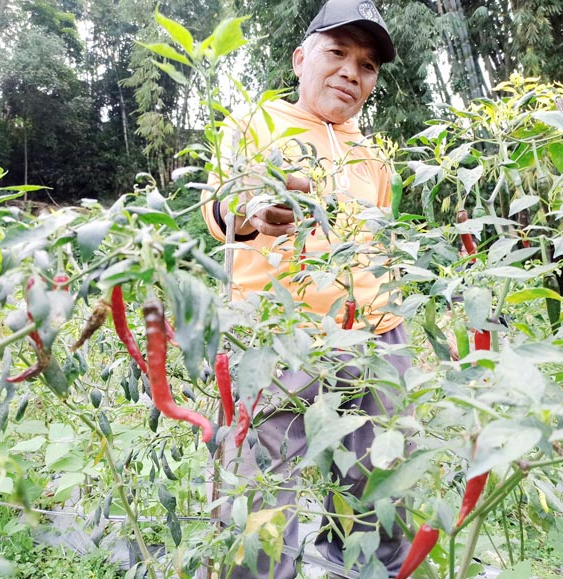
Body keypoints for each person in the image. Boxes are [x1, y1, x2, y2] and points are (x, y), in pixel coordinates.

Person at [202, 1, 411, 577]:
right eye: (338, 52)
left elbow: (380, 240)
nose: (352, 72)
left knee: (379, 475)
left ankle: (366, 565)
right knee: (264, 482)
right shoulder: (256, 123)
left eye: (367, 65)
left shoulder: (373, 154)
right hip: (277, 333)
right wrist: (255, 212)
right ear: (301, 59)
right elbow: (224, 207)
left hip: (375, 334)